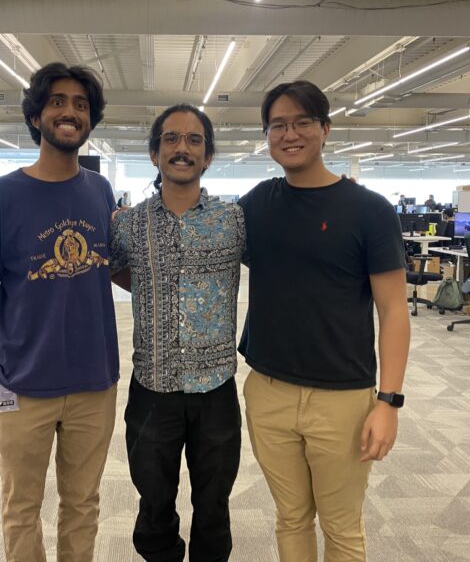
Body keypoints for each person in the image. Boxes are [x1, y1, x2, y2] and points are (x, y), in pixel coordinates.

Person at [238, 80, 410, 562]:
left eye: (302, 122)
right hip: (268, 391)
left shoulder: (368, 210)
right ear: (267, 135)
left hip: (342, 398)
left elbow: (394, 311)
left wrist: (389, 402)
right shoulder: (255, 204)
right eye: (278, 125)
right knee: (291, 518)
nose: (289, 134)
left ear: (325, 130)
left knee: (341, 527)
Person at [0, 62, 119, 562]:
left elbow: (111, 270)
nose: (69, 112)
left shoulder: (99, 192)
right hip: (23, 386)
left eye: (80, 104)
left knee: (82, 504)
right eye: (57, 101)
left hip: (95, 383)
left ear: (90, 121)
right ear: (36, 117)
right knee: (21, 507)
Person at [110, 104, 246, 562]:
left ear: (207, 157)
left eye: (193, 140)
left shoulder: (234, 222)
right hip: (153, 388)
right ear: (154, 153)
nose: (182, 148)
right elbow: (116, 270)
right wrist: (153, 282)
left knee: (213, 505)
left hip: (216, 389)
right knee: (153, 504)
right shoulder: (127, 225)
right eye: (170, 139)